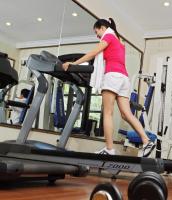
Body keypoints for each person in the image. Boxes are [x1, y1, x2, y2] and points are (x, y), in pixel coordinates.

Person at [62, 18, 156, 157]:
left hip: (113, 76)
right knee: (126, 114)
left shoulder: (108, 36)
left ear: (102, 27)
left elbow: (93, 53)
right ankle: (146, 140)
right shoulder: (119, 41)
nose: (97, 36)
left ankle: (109, 148)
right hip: (124, 78)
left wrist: (73, 64)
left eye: (96, 31)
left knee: (107, 113)